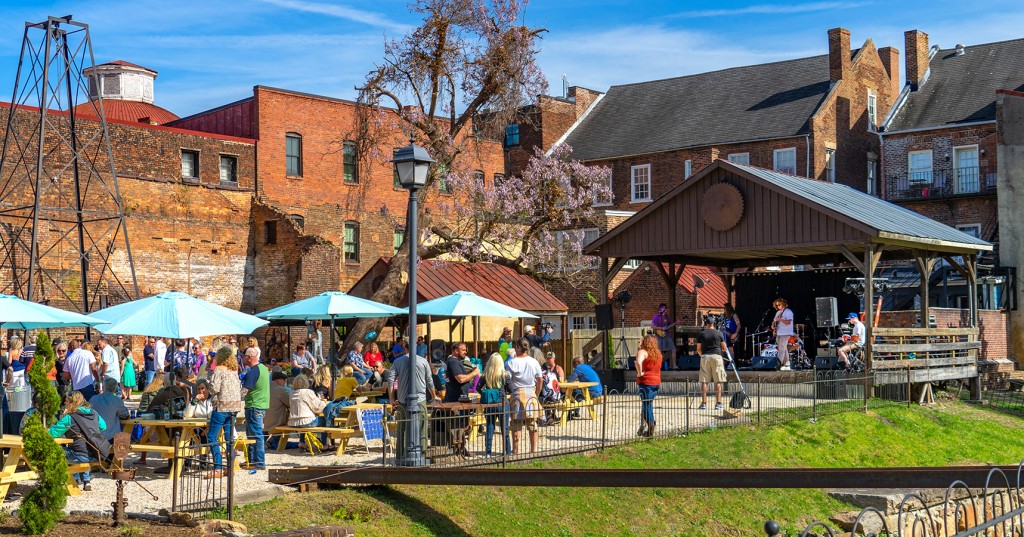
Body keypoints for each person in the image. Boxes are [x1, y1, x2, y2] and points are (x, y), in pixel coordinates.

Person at [49, 391, 108, 491]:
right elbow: (103, 426)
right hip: (95, 454)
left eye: (66, 401)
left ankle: (58, 482)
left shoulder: (69, 418)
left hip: (79, 456)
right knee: (81, 449)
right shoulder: (94, 413)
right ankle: (85, 480)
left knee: (55, 451)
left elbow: (52, 434)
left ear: (73, 402)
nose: (64, 403)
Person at [389, 346, 436, 461]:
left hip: (402, 399)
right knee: (422, 428)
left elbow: (391, 380)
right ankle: (422, 454)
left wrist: (391, 399)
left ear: (405, 349)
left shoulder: (398, 361)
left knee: (401, 429)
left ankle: (400, 456)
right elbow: (429, 381)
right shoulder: (423, 361)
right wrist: (434, 396)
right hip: (420, 400)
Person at [206, 346, 243, 478]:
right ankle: (230, 467)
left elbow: (214, 388)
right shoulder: (234, 371)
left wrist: (208, 383)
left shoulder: (218, 370)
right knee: (229, 439)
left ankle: (218, 467)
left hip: (221, 406)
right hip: (234, 407)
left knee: (211, 437)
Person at [505, 338, 542, 454]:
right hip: (531, 392)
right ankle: (533, 449)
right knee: (532, 423)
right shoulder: (534, 361)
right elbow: (540, 379)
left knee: (516, 423)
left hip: (517, 393)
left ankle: (516, 451)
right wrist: (537, 393)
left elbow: (507, 379)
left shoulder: (511, 362)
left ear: (519, 348)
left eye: (516, 347)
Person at [240, 346, 270, 470]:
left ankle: (259, 462)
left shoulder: (253, 371)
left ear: (251, 357)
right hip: (262, 405)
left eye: (245, 356)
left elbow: (244, 391)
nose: (243, 358)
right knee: (253, 435)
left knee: (255, 435)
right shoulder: (264, 369)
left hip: (254, 405)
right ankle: (252, 460)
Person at [480, 353, 511, 456]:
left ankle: (487, 452)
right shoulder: (505, 374)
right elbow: (510, 389)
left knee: (490, 427)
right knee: (504, 428)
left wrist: (486, 394)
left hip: (490, 404)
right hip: (502, 402)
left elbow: (477, 387)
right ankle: (507, 451)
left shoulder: (486, 374)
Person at [696, 315, 728, 411]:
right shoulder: (719, 333)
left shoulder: (701, 334)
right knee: (718, 380)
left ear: (706, 324)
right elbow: (724, 348)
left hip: (705, 357)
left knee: (704, 380)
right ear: (713, 323)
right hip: (716, 357)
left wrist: (703, 355)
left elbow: (698, 349)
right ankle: (718, 403)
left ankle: (704, 403)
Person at [635, 334, 663, 438]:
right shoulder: (658, 354)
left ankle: (651, 425)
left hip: (646, 381)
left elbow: (638, 362)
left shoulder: (643, 352)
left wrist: (640, 372)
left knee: (646, 404)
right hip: (656, 381)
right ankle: (650, 427)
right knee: (649, 404)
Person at [89, 377, 129, 443]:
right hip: (111, 437)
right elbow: (125, 415)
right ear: (116, 388)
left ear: (103, 387)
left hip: (95, 436)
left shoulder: (93, 399)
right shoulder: (117, 400)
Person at [263, 371, 291, 446]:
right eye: (284, 380)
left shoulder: (265, 387)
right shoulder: (280, 389)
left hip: (263, 419)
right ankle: (273, 441)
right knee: (290, 420)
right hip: (275, 421)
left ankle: (265, 442)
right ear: (278, 380)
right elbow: (290, 404)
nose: (285, 382)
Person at [651, 304, 677, 371]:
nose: (666, 310)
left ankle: (674, 365)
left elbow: (670, 325)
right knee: (659, 350)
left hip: (667, 335)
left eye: (666, 308)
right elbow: (652, 326)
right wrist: (660, 328)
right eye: (665, 308)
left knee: (673, 349)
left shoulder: (667, 317)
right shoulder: (656, 316)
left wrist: (677, 322)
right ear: (661, 309)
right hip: (659, 335)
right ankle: (658, 365)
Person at [772, 298, 795, 371]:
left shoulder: (788, 311)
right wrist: (773, 325)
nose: (778, 306)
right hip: (779, 332)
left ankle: (778, 364)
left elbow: (788, 322)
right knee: (784, 349)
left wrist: (780, 319)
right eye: (777, 305)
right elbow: (774, 321)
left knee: (781, 349)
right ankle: (787, 364)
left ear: (783, 304)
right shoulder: (778, 312)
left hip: (785, 333)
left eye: (779, 304)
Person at [539, 361, 562, 426]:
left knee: (540, 398)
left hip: (549, 399)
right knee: (548, 395)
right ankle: (553, 414)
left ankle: (548, 417)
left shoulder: (543, 374)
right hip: (558, 398)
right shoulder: (554, 374)